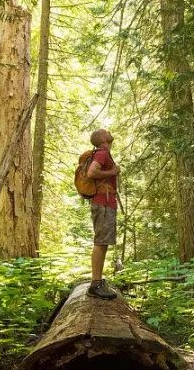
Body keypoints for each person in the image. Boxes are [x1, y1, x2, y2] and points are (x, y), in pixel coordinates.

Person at [86, 128, 120, 299]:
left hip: (105, 202)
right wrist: (112, 172)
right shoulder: (102, 153)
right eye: (106, 131)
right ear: (102, 139)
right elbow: (91, 172)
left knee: (103, 241)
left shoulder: (103, 153)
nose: (109, 132)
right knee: (101, 242)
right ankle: (96, 284)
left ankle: (97, 281)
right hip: (103, 202)